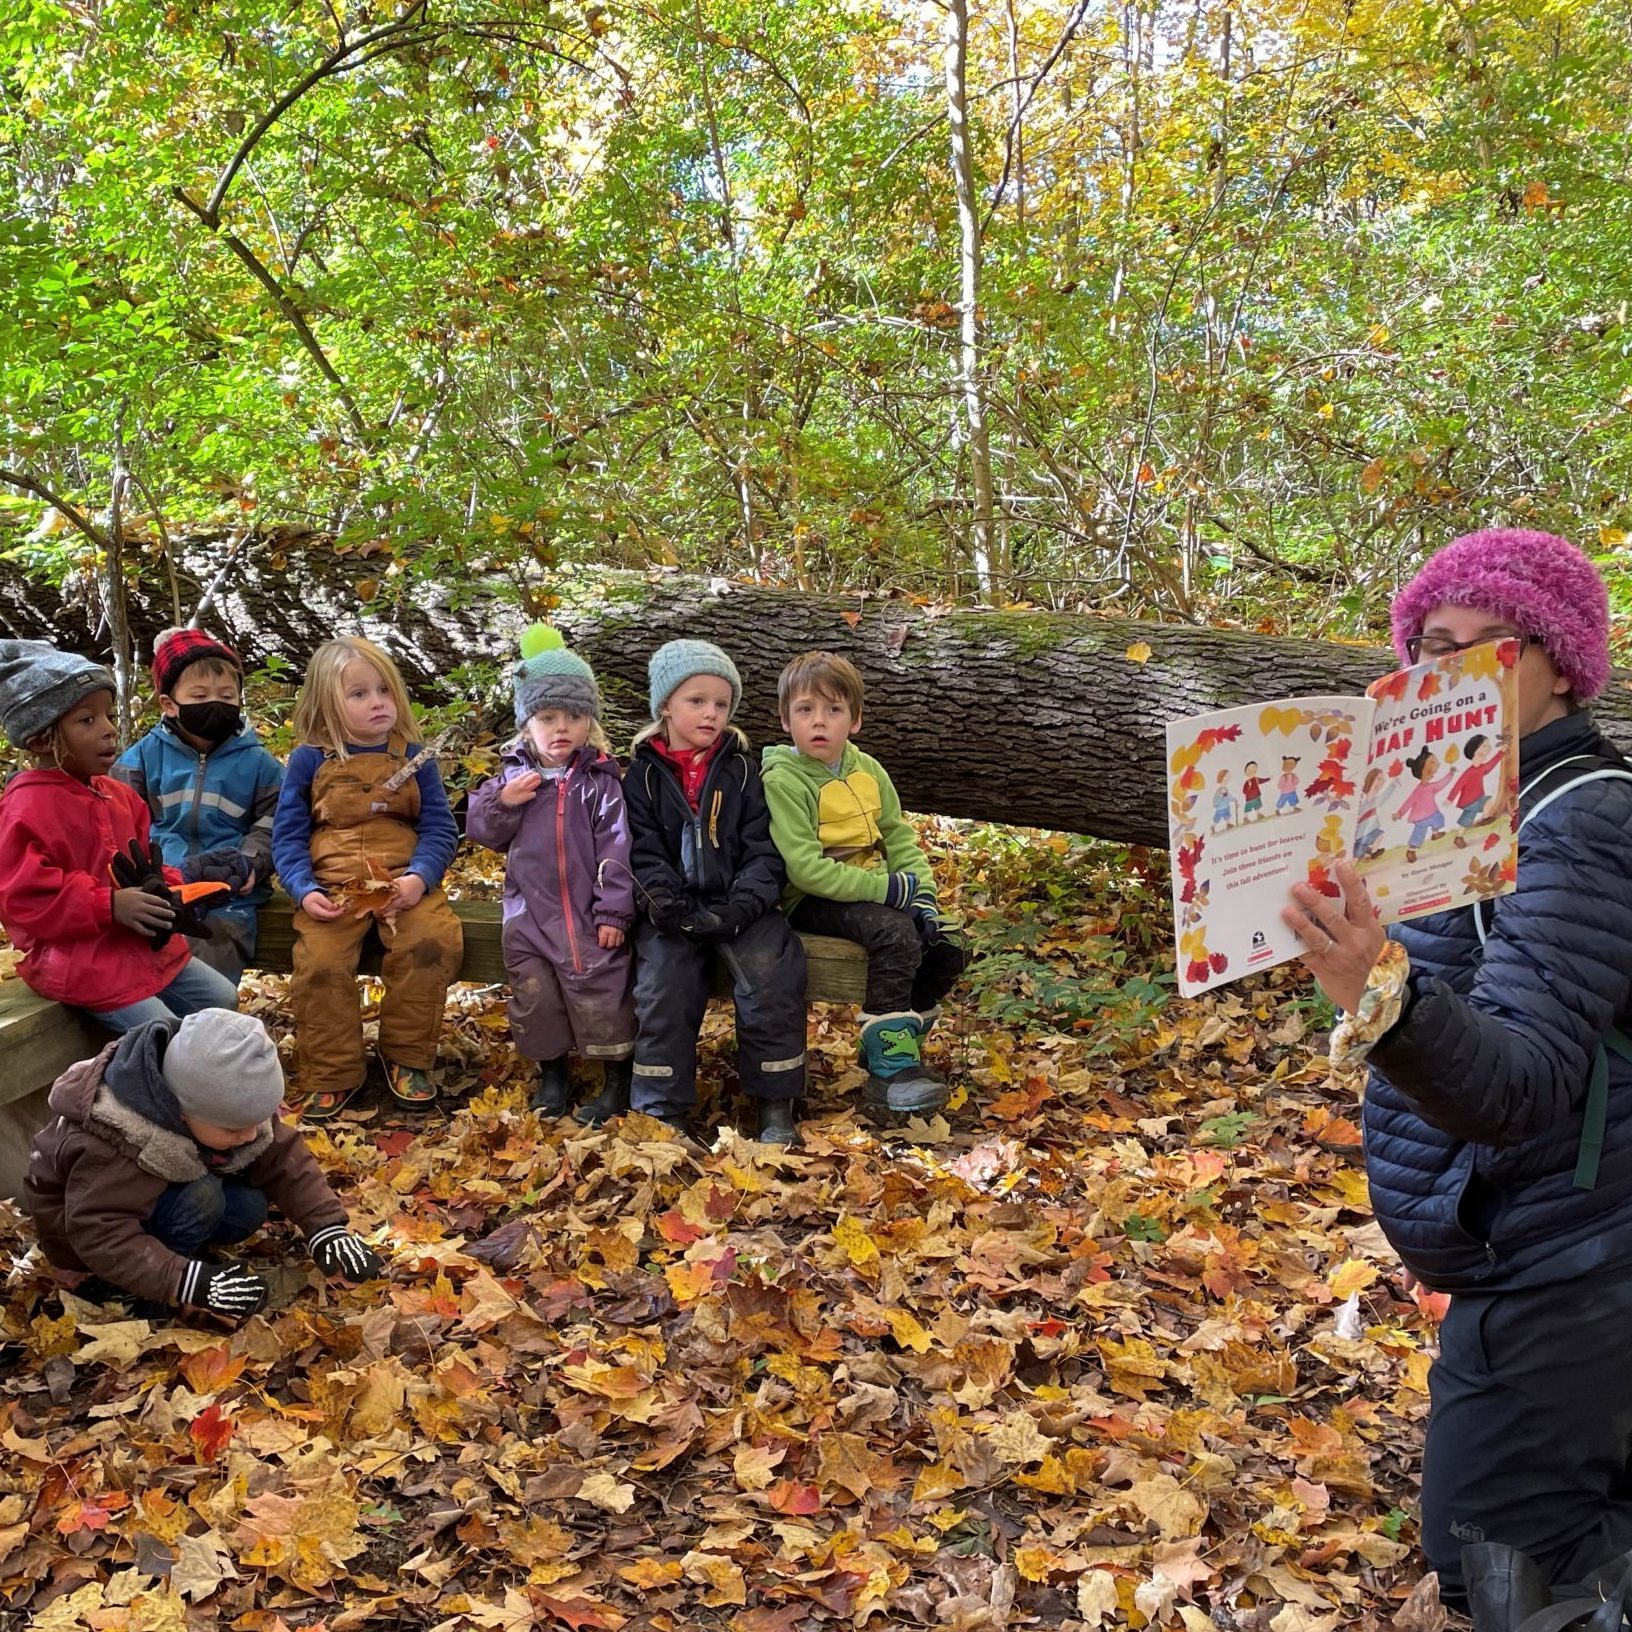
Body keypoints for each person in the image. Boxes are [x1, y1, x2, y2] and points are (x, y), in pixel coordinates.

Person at [1280, 529, 1632, 1608]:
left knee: (1501, 1556)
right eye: (1436, 646)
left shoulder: (1583, 821)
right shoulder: (1454, 807)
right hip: (1540, 1243)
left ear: (1561, 664)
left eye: (1497, 646)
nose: (1460, 672)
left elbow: (1515, 1084)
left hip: (1572, 1257)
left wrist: (1378, 993)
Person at [25, 1008, 382, 1320]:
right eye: (234, 1128)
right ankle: (128, 1290)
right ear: (181, 1112)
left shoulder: (215, 1105)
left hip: (151, 1195)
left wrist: (326, 1228)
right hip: (85, 1244)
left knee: (246, 1208)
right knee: (204, 1197)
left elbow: (280, 1154)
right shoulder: (114, 1137)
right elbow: (98, 1232)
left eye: (255, 1122)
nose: (248, 1134)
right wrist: (188, 1282)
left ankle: (175, 1254)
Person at [761, 650, 969, 1115]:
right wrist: (889, 892)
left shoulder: (867, 769)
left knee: (946, 944)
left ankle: (893, 1042)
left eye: (834, 710)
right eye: (805, 710)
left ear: (854, 720)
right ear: (784, 719)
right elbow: (804, 869)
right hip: (811, 898)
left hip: (874, 889)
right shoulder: (784, 778)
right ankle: (888, 1075)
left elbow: (898, 837)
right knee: (894, 934)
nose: (820, 722)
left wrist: (924, 897)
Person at [0, 641, 241, 1031]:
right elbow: (23, 898)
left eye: (110, 715)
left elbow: (148, 859)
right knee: (160, 1030)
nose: (110, 729)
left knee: (221, 998)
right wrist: (108, 905)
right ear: (41, 739)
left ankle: (215, 1080)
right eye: (87, 720)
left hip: (141, 948)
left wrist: (170, 891)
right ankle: (153, 1089)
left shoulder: (117, 794)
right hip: (80, 961)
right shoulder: (25, 808)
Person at [271, 637, 463, 1117]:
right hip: (332, 885)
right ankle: (333, 1071)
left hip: (404, 882)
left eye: (384, 690)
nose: (377, 702)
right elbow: (288, 836)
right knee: (319, 962)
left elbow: (441, 827)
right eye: (358, 694)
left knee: (431, 940)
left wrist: (419, 879)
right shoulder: (309, 759)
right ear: (326, 704)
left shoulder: (414, 756)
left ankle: (407, 1056)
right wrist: (304, 889)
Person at [624, 640, 806, 1143]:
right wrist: (662, 902)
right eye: (696, 701)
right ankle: (662, 1110)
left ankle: (774, 1103)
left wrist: (744, 904)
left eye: (721, 704)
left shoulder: (744, 770)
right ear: (665, 705)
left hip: (740, 905)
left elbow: (763, 847)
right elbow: (641, 850)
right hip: (673, 908)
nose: (711, 713)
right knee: (662, 984)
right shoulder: (641, 775)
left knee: (772, 974)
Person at [466, 626, 635, 1122]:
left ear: (590, 722)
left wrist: (613, 911)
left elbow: (618, 847)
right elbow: (481, 829)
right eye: (547, 717)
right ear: (527, 725)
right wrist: (503, 802)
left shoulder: (601, 782)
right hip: (529, 919)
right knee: (534, 995)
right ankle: (553, 1074)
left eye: (574, 716)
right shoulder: (513, 777)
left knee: (601, 993)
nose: (561, 728)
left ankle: (615, 1079)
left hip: (588, 916)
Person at [113, 627, 284, 980]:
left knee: (216, 952)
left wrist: (250, 863)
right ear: (169, 704)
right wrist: (149, 875)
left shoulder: (259, 762)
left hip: (231, 893)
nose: (216, 703)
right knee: (137, 963)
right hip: (162, 888)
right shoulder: (142, 758)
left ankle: (205, 1030)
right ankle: (145, 1033)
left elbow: (276, 821)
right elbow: (117, 822)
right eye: (200, 694)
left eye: (227, 694)